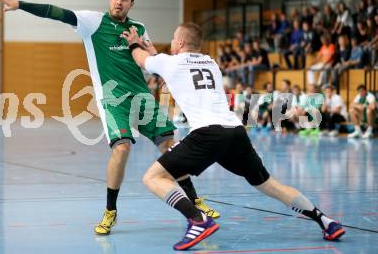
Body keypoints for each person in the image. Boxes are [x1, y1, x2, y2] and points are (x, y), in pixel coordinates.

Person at [0, 0, 218, 236]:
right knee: (121, 148)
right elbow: (56, 12)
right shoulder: (93, 22)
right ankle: (110, 211)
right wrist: (20, 5)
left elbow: (149, 62)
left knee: (170, 147)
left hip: (142, 97)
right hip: (113, 100)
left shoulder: (139, 28)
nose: (118, 2)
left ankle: (196, 203)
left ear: (131, 4)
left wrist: (154, 57)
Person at [122, 22, 345, 250]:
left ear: (179, 43)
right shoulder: (212, 63)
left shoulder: (170, 62)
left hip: (207, 134)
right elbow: (177, 72)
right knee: (269, 185)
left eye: (172, 39)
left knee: (153, 177)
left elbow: (142, 60)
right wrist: (156, 57)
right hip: (235, 132)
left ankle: (198, 220)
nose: (171, 43)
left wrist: (134, 44)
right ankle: (326, 221)